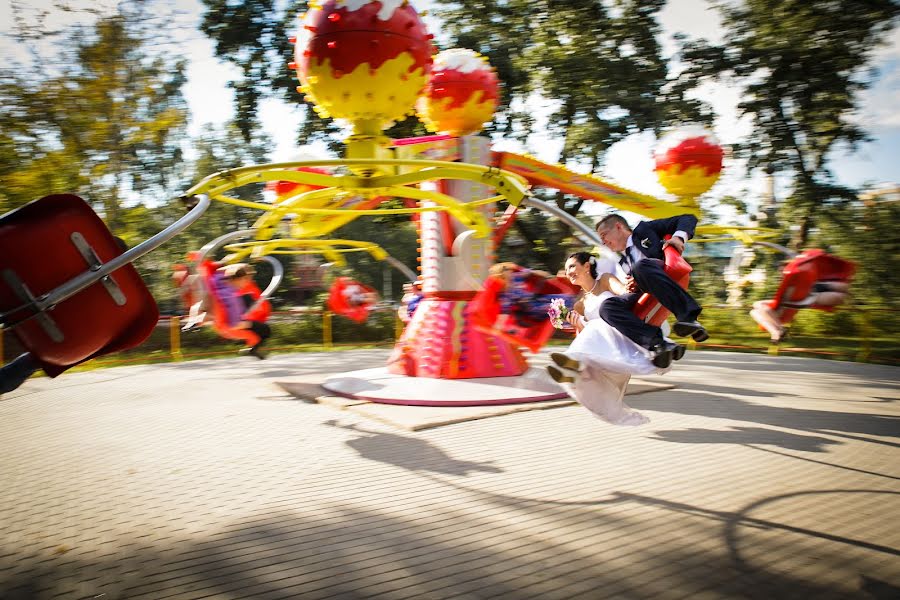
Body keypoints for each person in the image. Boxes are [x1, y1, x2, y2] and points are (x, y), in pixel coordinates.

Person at [546, 252, 678, 426]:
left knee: (596, 325)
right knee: (591, 330)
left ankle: (573, 365)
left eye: (571, 266)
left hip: (623, 332)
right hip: (605, 346)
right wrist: (577, 324)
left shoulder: (606, 280)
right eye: (566, 269)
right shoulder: (580, 303)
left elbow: (627, 297)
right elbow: (585, 334)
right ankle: (574, 368)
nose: (568, 272)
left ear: (587, 266)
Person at [594, 213, 707, 368]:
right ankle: (658, 344)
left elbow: (688, 218)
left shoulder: (645, 230)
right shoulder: (623, 262)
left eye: (604, 235)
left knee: (640, 267)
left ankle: (688, 318)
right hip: (643, 287)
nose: (604, 242)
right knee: (607, 307)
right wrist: (631, 285)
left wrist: (678, 238)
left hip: (662, 274)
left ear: (618, 227)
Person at [750, 280, 850, 343]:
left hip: (797, 301)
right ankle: (777, 331)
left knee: (756, 308)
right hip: (785, 306)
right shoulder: (792, 284)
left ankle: (778, 331)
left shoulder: (816, 287)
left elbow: (842, 294)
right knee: (754, 310)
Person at [222, 263, 272, 359]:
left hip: (253, 315)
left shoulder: (247, 284)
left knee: (263, 331)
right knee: (264, 330)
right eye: (248, 275)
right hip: (246, 314)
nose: (249, 277)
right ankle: (253, 348)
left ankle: (253, 348)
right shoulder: (241, 285)